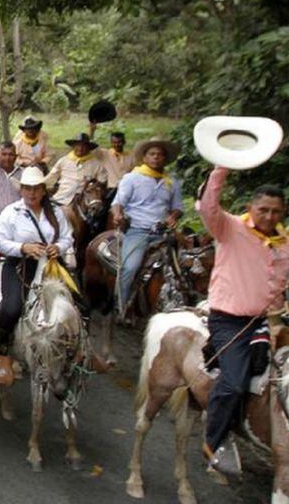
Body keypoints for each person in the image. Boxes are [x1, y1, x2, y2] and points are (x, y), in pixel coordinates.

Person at [197, 168, 289, 475]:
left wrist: (277, 320)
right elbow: (209, 206)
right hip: (228, 321)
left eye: (275, 211)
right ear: (250, 207)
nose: (268, 216)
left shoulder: (285, 243)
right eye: (262, 209)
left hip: (266, 321)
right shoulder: (229, 227)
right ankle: (215, 442)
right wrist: (221, 169)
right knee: (234, 383)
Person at [0, 167, 75, 386]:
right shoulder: (11, 212)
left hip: (52, 266)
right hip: (20, 265)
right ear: (22, 190)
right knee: (11, 308)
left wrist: (58, 246)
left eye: (36, 188)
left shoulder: (56, 213)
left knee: (79, 304)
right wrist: (23, 247)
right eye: (27, 188)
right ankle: (0, 354)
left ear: (44, 190)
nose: (31, 193)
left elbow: (68, 237)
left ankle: (78, 350)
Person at [110, 137, 184, 314]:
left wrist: (173, 216)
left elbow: (177, 208)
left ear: (165, 159)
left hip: (164, 232)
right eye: (152, 154)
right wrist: (118, 214)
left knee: (189, 263)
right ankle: (121, 305)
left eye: (160, 154)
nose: (156, 157)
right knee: (130, 267)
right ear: (144, 157)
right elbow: (118, 203)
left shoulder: (171, 182)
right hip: (139, 230)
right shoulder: (131, 178)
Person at [45, 132, 108, 205]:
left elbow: (103, 180)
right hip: (62, 197)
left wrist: (93, 186)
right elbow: (51, 177)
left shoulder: (96, 164)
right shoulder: (64, 161)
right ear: (73, 146)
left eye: (84, 146)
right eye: (78, 145)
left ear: (88, 148)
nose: (80, 149)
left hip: (83, 201)